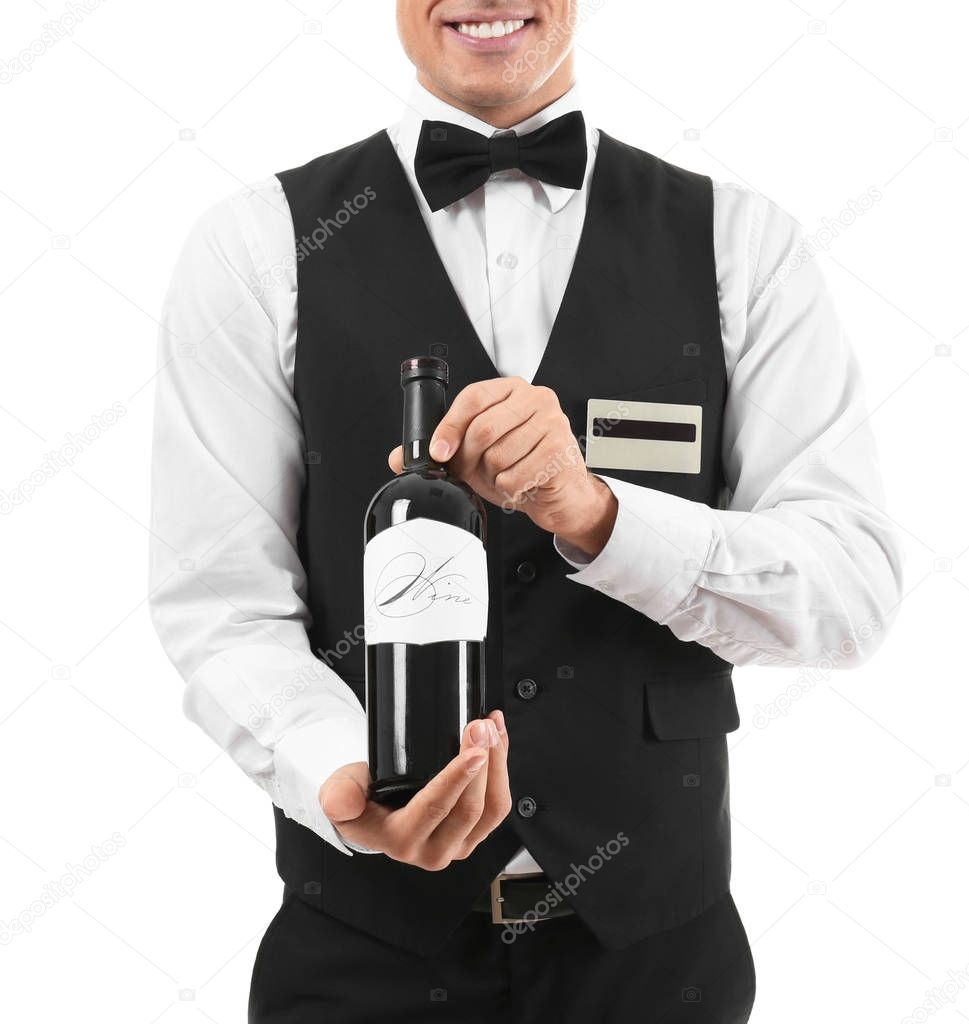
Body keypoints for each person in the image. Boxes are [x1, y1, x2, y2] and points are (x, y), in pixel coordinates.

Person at [149, 2, 904, 1020]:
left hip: (658, 963)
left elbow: (850, 588)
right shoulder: (253, 246)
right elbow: (221, 603)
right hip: (361, 958)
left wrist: (601, 514)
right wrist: (344, 777)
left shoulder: (742, 244)